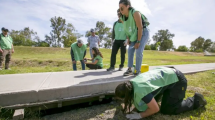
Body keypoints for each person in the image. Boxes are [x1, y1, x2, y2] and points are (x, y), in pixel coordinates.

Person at [115, 67, 207, 120]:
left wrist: (139, 115)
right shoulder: (131, 83)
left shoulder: (141, 91)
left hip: (177, 80)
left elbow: (155, 109)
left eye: (124, 99)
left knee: (168, 109)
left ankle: (196, 101)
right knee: (147, 104)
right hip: (168, 74)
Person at [119, 0, 150, 76]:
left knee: (138, 51)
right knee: (130, 50)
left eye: (122, 8)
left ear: (128, 6)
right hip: (133, 34)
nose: (121, 10)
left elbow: (140, 28)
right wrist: (128, 39)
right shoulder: (122, 18)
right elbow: (127, 30)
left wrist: (138, 41)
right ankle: (129, 69)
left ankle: (137, 71)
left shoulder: (135, 13)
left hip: (143, 33)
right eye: (119, 8)